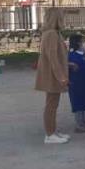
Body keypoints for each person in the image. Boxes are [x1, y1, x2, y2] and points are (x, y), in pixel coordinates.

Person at [35, 8, 70, 144]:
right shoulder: (51, 34)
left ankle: (53, 131)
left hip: (53, 74)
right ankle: (50, 134)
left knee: (53, 104)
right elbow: (53, 58)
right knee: (51, 105)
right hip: (52, 75)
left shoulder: (54, 33)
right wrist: (61, 77)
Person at [68, 33, 85, 132]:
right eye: (82, 42)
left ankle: (83, 122)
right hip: (76, 84)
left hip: (83, 83)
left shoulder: (83, 55)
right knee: (78, 104)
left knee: (82, 104)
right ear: (78, 43)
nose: (84, 44)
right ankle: (79, 125)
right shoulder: (71, 55)